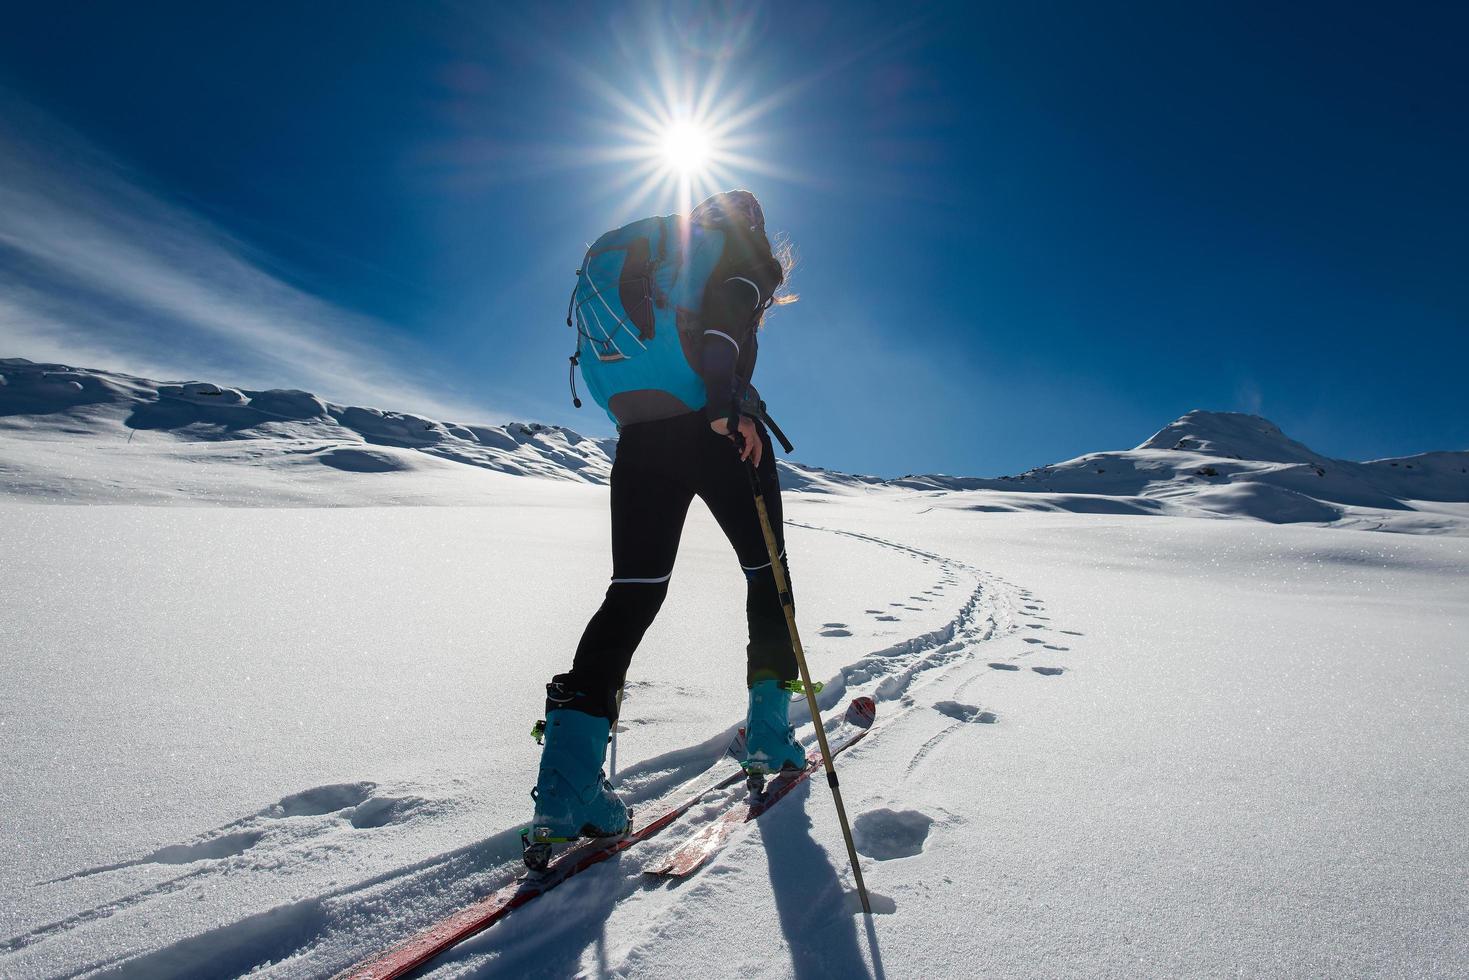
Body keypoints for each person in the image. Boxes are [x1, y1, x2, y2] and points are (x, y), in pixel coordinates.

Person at [527, 190, 800, 848]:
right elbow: (724, 321)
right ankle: (768, 735)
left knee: (633, 591)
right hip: (717, 429)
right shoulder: (742, 257)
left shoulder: (662, 257)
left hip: (641, 436)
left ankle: (565, 787)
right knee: (767, 576)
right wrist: (725, 402)